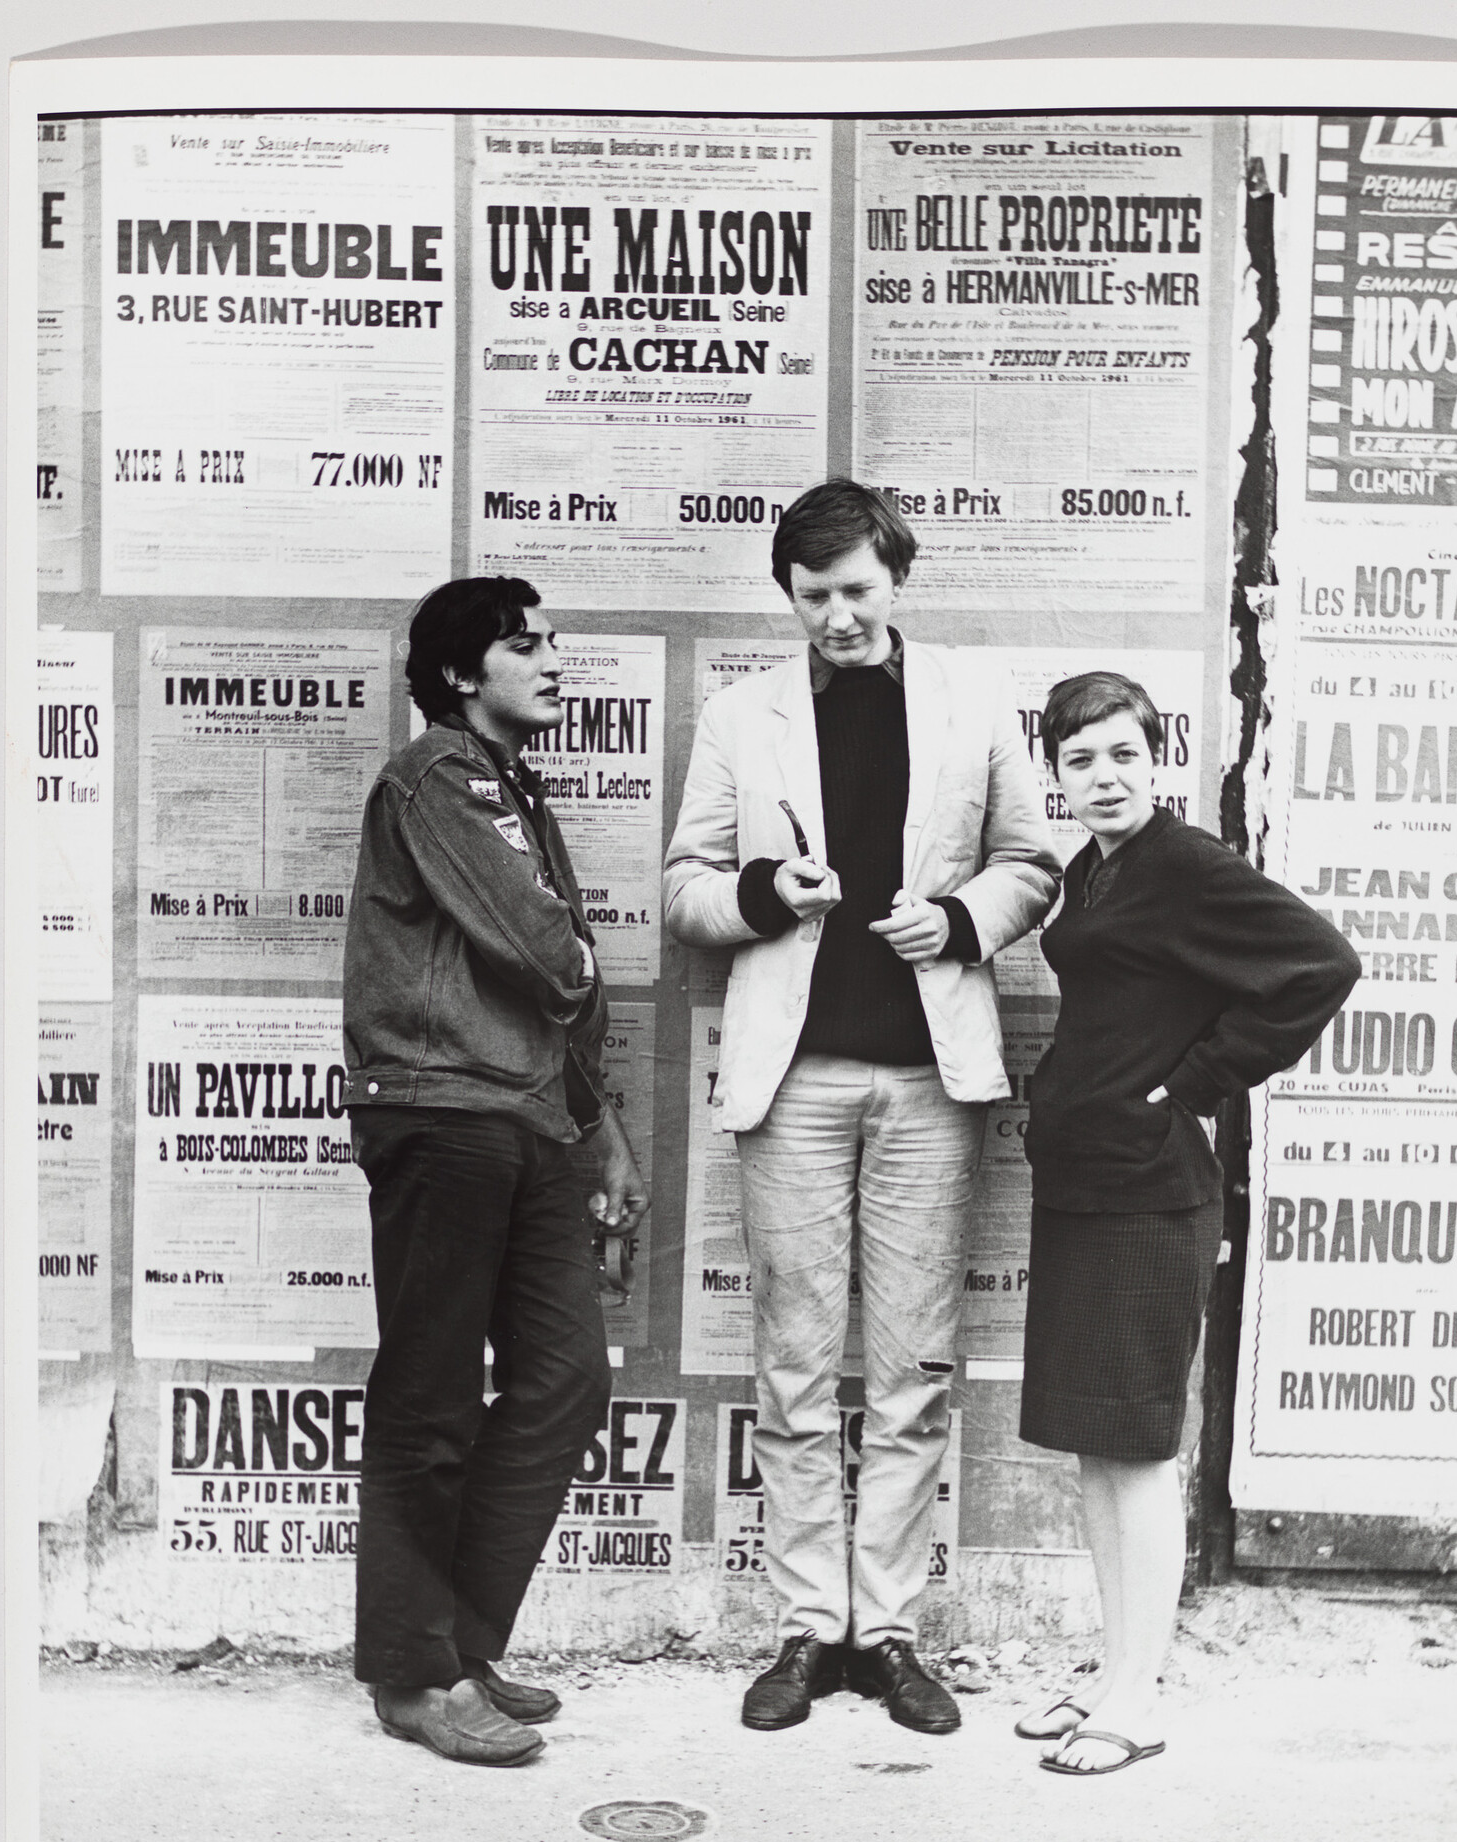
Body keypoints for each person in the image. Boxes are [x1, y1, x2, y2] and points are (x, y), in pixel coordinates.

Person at [664, 479, 1062, 1734]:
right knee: (791, 1367)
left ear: (899, 579)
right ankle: (805, 1628)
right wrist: (767, 893)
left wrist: (954, 920)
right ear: (787, 592)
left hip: (928, 1076)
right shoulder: (742, 713)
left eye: (859, 590)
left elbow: (1033, 862)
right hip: (792, 1079)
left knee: (908, 1370)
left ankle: (885, 1632)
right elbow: (685, 887)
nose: (838, 615)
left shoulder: (973, 702)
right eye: (815, 593)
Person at [1014, 671, 1360, 1775]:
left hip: (1151, 1189)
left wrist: (1203, 1079)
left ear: (1156, 759)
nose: (1105, 777)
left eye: (1124, 754)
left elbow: (1323, 963)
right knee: (1096, 1443)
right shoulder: (1094, 870)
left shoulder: (1187, 865)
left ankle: (1140, 1695)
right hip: (1084, 1179)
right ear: (1056, 774)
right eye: (1081, 760)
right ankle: (1115, 1666)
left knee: (1139, 1446)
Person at [341, 576, 648, 1766]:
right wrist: (581, 963)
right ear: (464, 673)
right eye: (528, 645)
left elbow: (547, 980)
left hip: (524, 1118)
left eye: (555, 639)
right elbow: (537, 946)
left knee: (566, 1380)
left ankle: (459, 1643)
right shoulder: (436, 776)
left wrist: (602, 1129)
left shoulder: (512, 788)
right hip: (438, 1110)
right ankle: (412, 1675)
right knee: (428, 1396)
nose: (555, 660)